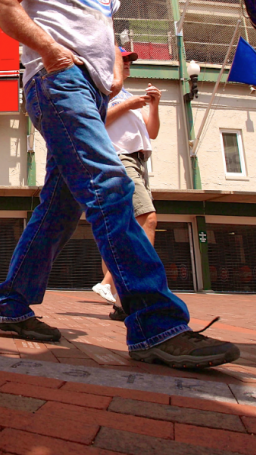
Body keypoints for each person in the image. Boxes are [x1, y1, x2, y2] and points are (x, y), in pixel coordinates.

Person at [0, 0, 239, 368]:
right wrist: (52, 51)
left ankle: (8, 304)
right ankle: (156, 324)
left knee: (59, 208)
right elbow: (2, 5)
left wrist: (114, 77)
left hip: (92, 91)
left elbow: (99, 36)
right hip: (58, 82)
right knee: (110, 183)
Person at [93, 47, 162, 318]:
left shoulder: (127, 96)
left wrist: (153, 105)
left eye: (130, 60)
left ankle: (121, 302)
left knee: (119, 228)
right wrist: (127, 105)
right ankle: (111, 282)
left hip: (137, 161)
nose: (129, 64)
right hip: (119, 158)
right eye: (123, 60)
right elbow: (96, 121)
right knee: (148, 219)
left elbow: (152, 132)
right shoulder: (101, 91)